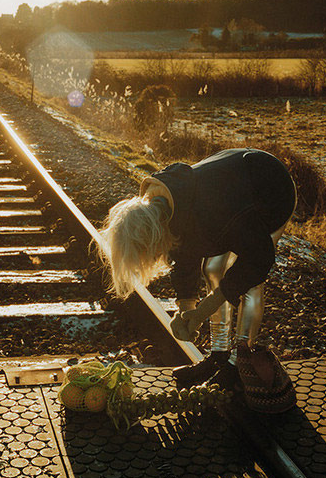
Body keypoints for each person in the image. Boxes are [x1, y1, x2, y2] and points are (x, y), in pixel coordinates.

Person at [97, 148, 296, 393]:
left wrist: (204, 309)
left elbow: (258, 258)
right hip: (232, 197)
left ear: (152, 239)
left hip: (269, 190)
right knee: (212, 269)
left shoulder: (213, 213)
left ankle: (237, 364)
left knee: (250, 284)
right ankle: (219, 356)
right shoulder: (166, 210)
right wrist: (186, 308)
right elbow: (184, 252)